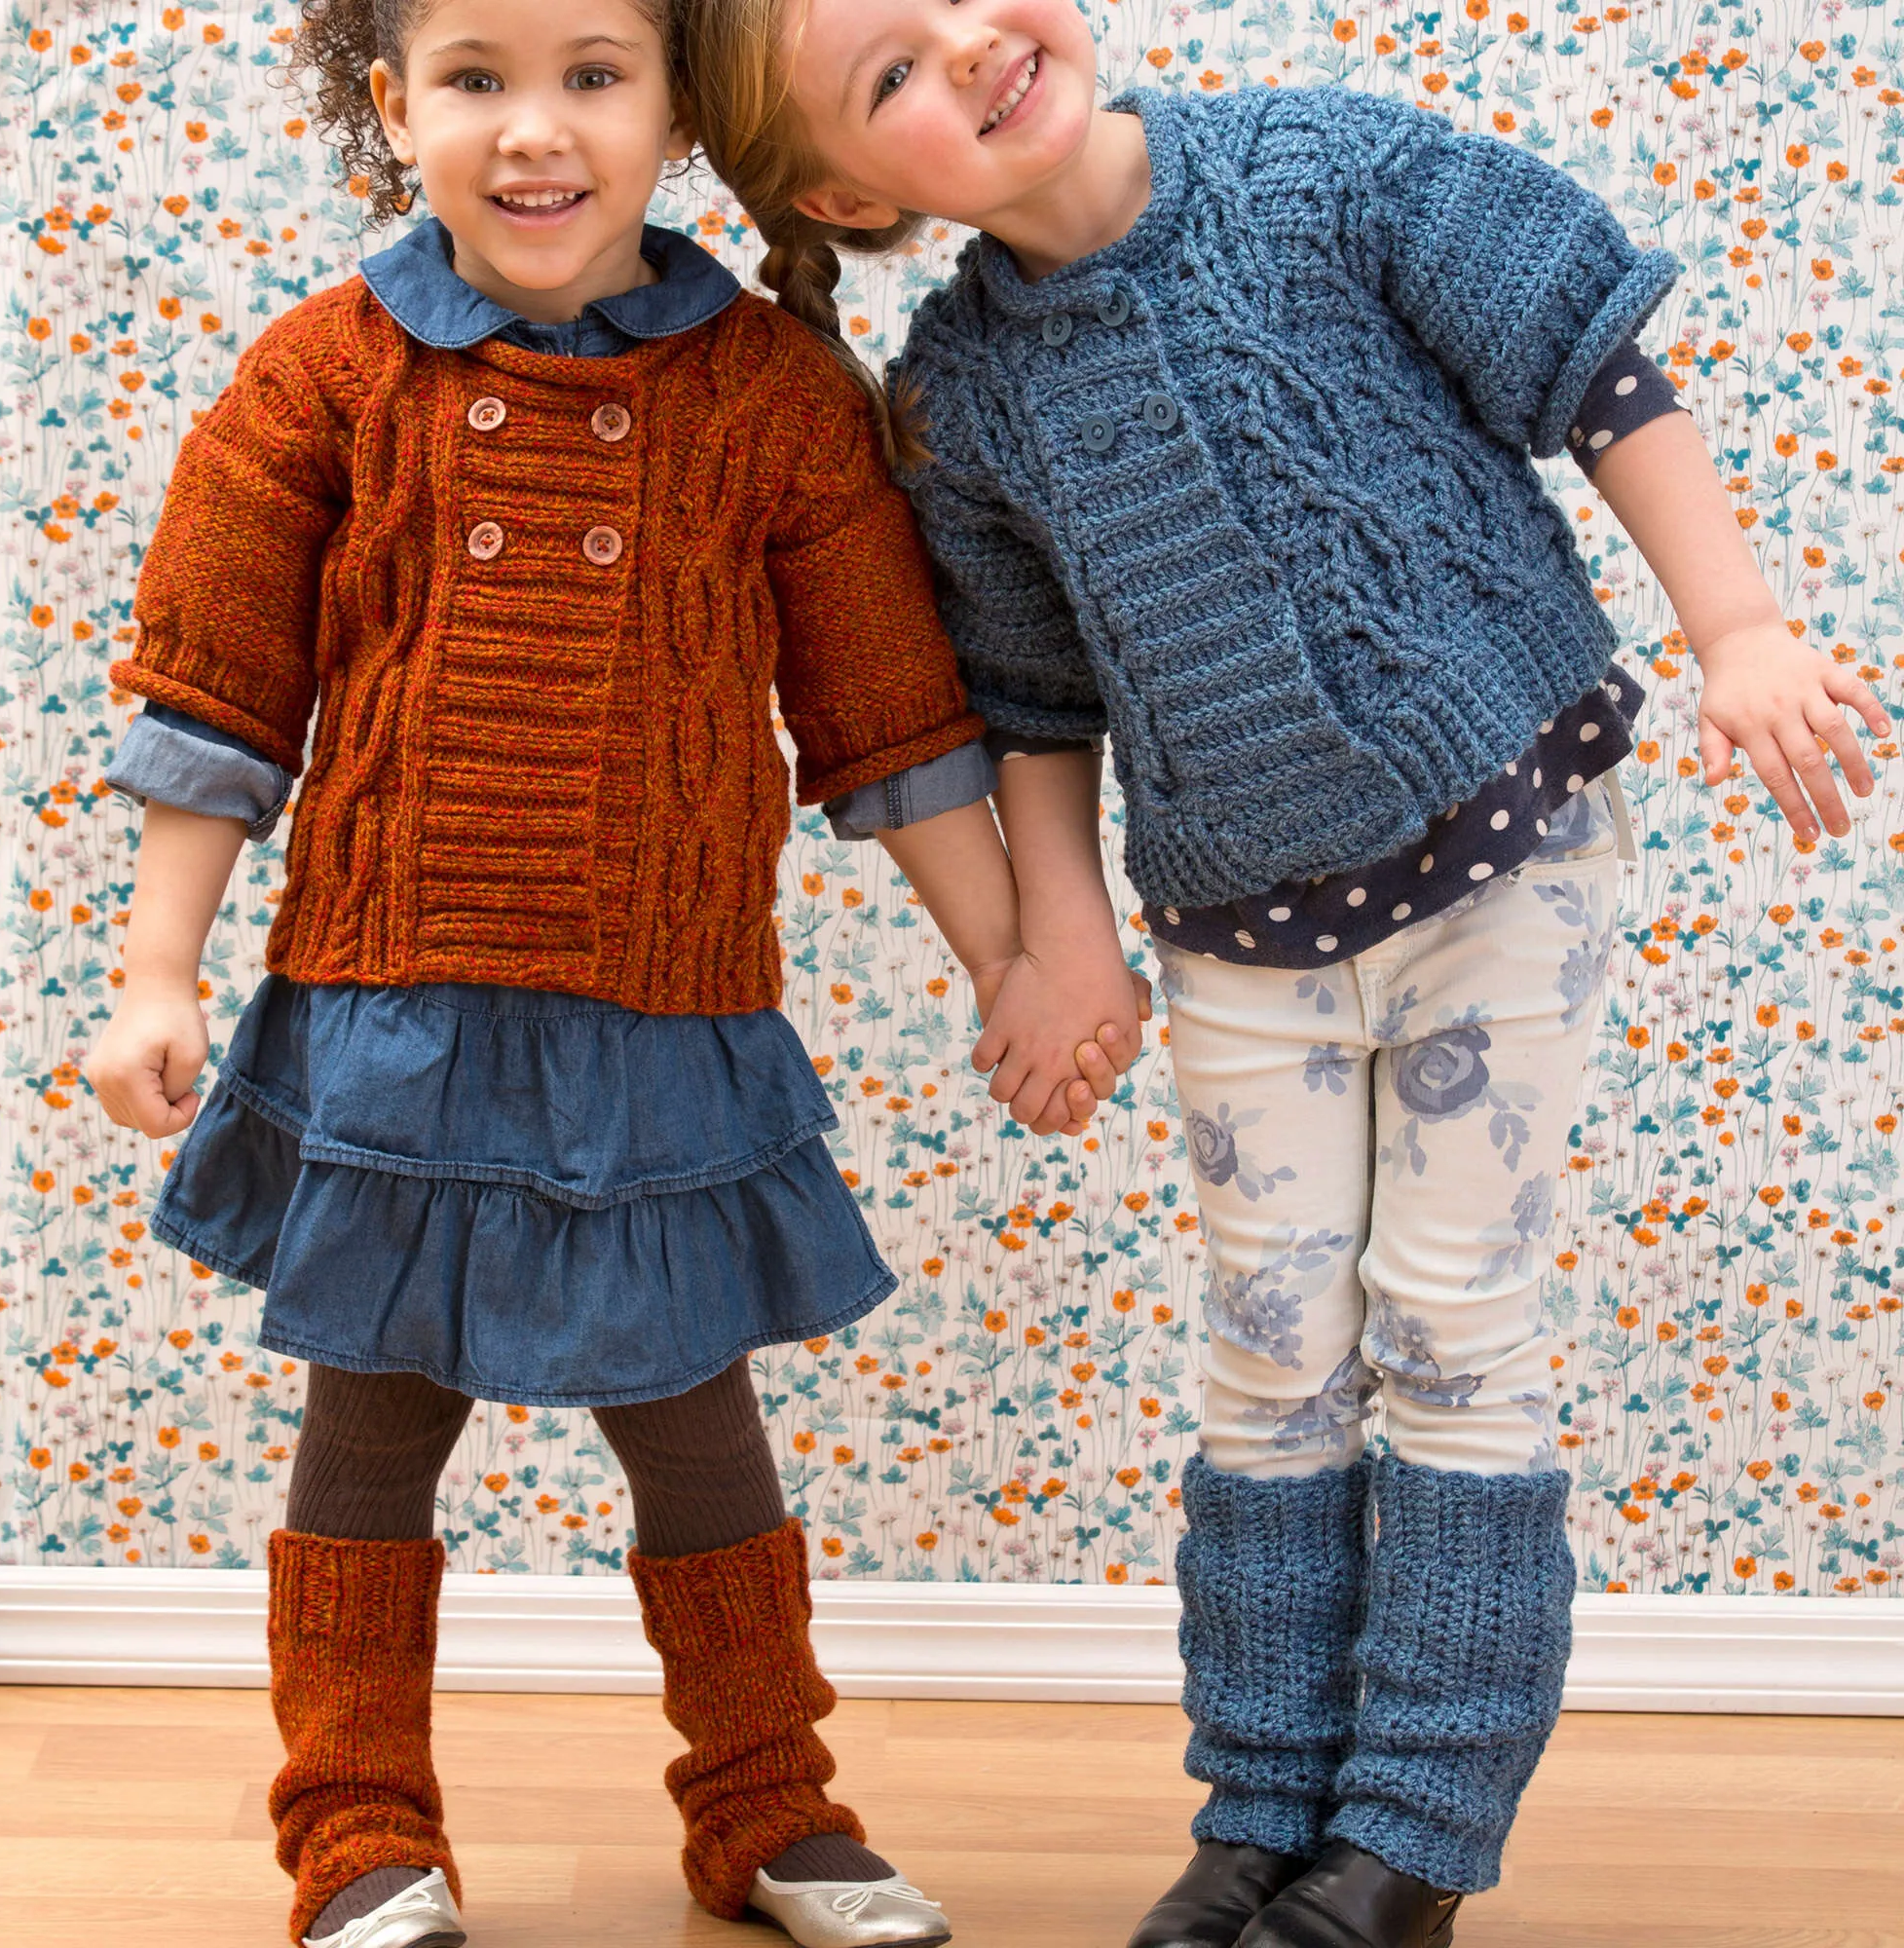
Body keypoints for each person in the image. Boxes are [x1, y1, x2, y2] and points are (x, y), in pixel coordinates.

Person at [668, 5, 1890, 1944]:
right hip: (1238, 926)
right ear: (847, 193)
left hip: (1509, 847)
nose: (966, 52)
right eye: (888, 74)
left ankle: (1410, 1827)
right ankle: (1263, 1804)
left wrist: (1734, 623)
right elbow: (1031, 699)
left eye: (955, 2)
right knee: (1263, 1344)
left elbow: (1596, 361)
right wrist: (1058, 931)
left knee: (1446, 1313)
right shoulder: (964, 400)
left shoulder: (1322, 175)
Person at [87, 2, 1130, 1943]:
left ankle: (766, 1806)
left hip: (663, 1021)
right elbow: (218, 695)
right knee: (369, 1434)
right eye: (476, 79)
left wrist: (1014, 956)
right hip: (392, 1014)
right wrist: (160, 967)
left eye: (592, 74)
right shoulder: (321, 376)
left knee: (698, 1431)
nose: (535, 132)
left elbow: (887, 723)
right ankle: (359, 1831)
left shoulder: (770, 397)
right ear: (395, 108)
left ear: (672, 113)